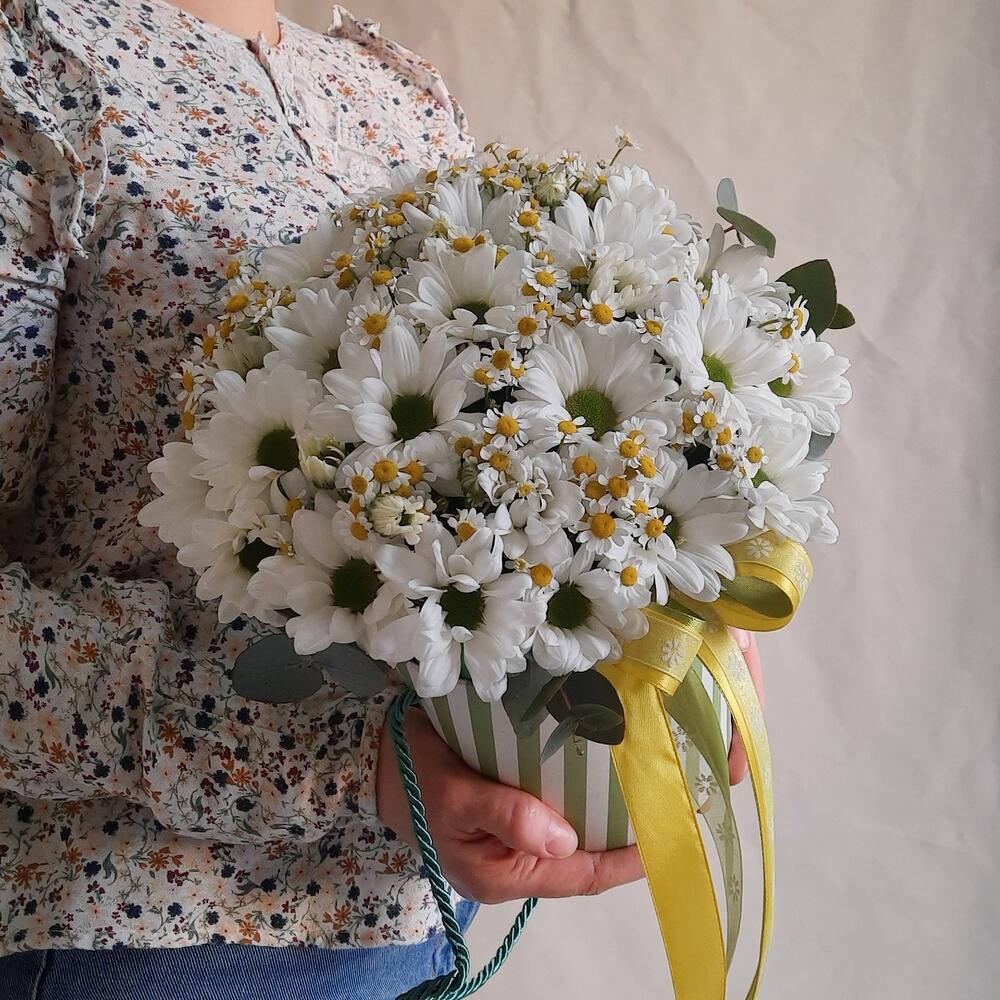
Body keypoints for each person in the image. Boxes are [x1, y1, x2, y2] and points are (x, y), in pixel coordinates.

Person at [0, 2, 762, 997]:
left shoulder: (397, 94)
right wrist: (348, 767)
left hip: (424, 923)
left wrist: (670, 608)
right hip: (149, 929)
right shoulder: (33, 72)